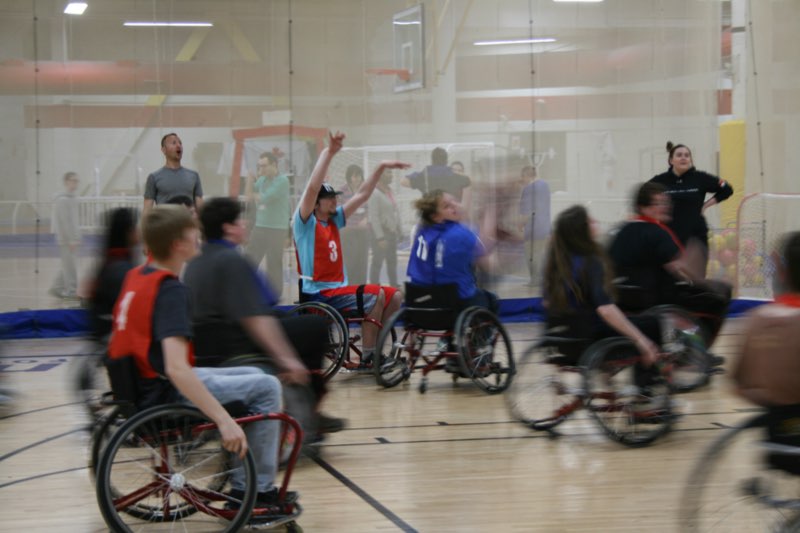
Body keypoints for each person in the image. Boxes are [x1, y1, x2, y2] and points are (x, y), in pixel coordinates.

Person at [108, 205, 286, 507]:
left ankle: (245, 477)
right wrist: (223, 419)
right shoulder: (171, 291)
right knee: (269, 388)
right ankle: (254, 492)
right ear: (179, 243)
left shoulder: (138, 276)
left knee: (258, 377)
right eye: (194, 231)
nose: (199, 236)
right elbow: (178, 369)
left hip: (141, 386)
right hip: (165, 392)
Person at [183, 197, 345, 442]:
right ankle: (309, 407)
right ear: (228, 227)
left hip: (207, 345)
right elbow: (256, 319)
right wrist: (288, 360)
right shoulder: (232, 261)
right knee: (315, 326)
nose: (245, 223)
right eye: (240, 220)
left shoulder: (196, 261)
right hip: (237, 347)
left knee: (290, 318)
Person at [293, 131, 408, 365]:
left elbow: (363, 194)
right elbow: (313, 187)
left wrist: (381, 166)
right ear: (316, 204)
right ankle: (369, 356)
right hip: (320, 293)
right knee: (374, 295)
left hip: (338, 291)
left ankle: (375, 350)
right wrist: (329, 152)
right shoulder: (304, 223)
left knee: (394, 296)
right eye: (328, 198)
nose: (334, 200)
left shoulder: (334, 219)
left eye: (334, 196)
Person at [608, 182, 731, 344]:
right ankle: (698, 349)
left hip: (623, 299)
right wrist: (703, 281)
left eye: (666, 202)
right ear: (642, 207)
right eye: (658, 203)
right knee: (719, 294)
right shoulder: (658, 232)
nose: (665, 207)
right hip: (656, 299)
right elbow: (679, 267)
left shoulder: (621, 231)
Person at [543, 205, 661, 366]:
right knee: (652, 324)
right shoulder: (590, 261)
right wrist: (641, 340)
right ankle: (647, 384)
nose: (595, 222)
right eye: (590, 221)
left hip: (562, 341)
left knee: (626, 318)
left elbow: (546, 303)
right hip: (588, 339)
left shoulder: (556, 262)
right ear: (581, 230)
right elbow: (605, 310)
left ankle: (608, 377)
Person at [733, 232, 800, 470]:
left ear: (782, 273)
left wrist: (778, 404)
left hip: (777, 441)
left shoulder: (756, 319)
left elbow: (739, 385)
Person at [649, 141, 733, 277]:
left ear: (691, 160)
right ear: (671, 160)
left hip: (695, 237)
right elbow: (644, 196)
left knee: (696, 279)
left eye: (687, 155)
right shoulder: (660, 180)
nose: (683, 158)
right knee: (669, 278)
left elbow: (727, 189)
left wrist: (705, 205)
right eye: (679, 155)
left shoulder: (701, 178)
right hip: (670, 236)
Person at [407, 189, 497, 313]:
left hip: (420, 299)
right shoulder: (463, 233)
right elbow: (487, 263)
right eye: (447, 206)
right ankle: (485, 332)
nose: (455, 205)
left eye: (454, 201)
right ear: (435, 216)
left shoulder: (420, 231)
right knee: (491, 300)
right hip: (456, 301)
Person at [87, 207, 139, 341]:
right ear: (128, 232)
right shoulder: (121, 269)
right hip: (114, 339)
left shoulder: (110, 262)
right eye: (135, 228)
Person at [245, 152, 291, 301]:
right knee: (250, 259)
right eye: (260, 166)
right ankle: (245, 290)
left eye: (264, 166)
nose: (262, 169)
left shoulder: (282, 181)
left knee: (274, 263)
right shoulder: (263, 180)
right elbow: (248, 196)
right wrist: (249, 180)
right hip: (260, 227)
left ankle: (274, 295)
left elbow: (263, 198)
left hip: (277, 229)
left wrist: (253, 190)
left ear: (274, 165)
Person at [143, 133, 204, 217]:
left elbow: (199, 206)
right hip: (165, 225)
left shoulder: (193, 176)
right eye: (174, 143)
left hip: (188, 224)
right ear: (164, 150)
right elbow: (147, 210)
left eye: (180, 143)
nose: (178, 145)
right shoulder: (154, 177)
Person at [401, 147, 472, 207]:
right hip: (448, 214)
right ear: (446, 160)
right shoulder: (453, 176)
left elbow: (403, 182)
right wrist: (456, 172)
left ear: (432, 160)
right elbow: (470, 180)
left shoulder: (424, 176)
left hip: (430, 216)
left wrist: (418, 175)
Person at [49, 171, 82, 299]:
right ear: (66, 182)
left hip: (72, 239)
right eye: (73, 180)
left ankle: (56, 288)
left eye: (76, 181)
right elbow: (64, 223)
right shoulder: (62, 200)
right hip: (66, 240)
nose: (75, 183)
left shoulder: (73, 199)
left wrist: (77, 236)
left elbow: (74, 221)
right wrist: (71, 240)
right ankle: (71, 292)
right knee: (71, 267)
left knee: (67, 265)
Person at [368, 169, 402, 287]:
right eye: (388, 172)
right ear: (381, 175)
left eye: (391, 172)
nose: (391, 175)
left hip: (392, 233)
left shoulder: (390, 191)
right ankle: (373, 288)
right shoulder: (375, 192)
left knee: (392, 262)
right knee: (377, 262)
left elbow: (395, 213)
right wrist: (380, 237)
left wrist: (400, 230)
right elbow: (374, 217)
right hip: (381, 233)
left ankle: (394, 286)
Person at [518, 165, 551, 287]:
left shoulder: (528, 189)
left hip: (533, 229)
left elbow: (527, 212)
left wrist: (520, 225)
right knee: (541, 255)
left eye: (523, 177)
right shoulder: (545, 185)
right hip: (545, 227)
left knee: (531, 255)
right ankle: (543, 280)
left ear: (526, 175)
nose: (522, 180)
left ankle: (535, 281)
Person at [339, 164, 370, 285]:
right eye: (354, 176)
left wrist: (366, 218)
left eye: (359, 176)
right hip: (347, 231)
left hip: (362, 231)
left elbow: (370, 208)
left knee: (362, 260)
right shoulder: (342, 191)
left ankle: (361, 286)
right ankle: (349, 286)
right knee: (349, 260)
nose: (357, 179)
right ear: (349, 177)